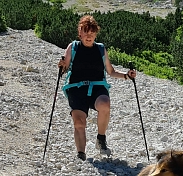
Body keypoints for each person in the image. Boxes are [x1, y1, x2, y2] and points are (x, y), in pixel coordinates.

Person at [58, 15, 136, 161]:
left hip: (97, 87)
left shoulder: (100, 49)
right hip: (76, 88)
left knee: (105, 103)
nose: (89, 37)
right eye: (86, 33)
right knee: (79, 122)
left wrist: (127, 76)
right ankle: (81, 154)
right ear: (80, 32)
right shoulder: (73, 47)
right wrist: (62, 66)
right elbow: (65, 69)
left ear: (95, 34)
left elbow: (111, 71)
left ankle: (101, 138)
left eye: (92, 34)